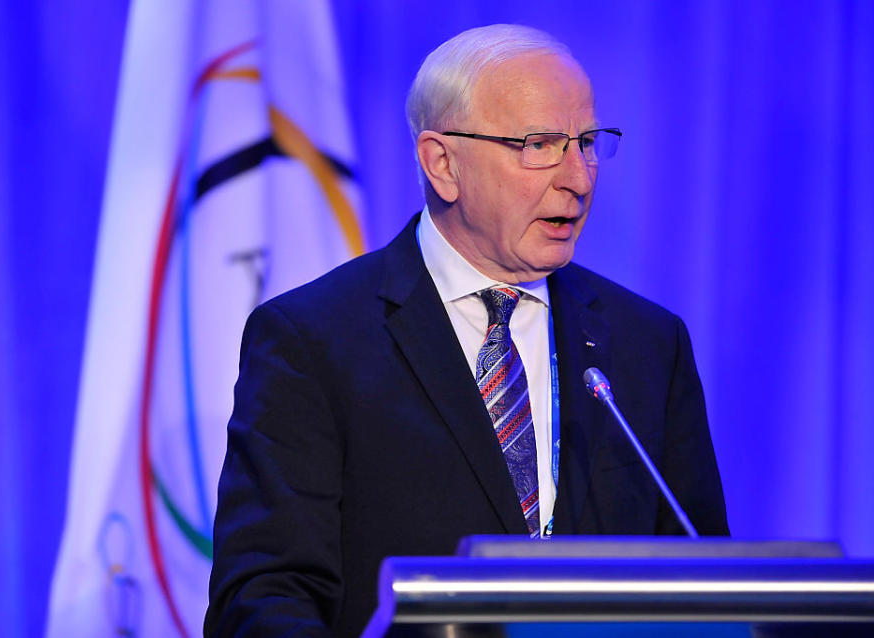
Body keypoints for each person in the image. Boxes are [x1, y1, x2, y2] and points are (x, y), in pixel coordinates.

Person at [205, 23, 728, 638]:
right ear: (442, 163)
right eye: (540, 144)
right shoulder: (313, 341)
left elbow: (703, 578)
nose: (579, 179)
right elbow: (265, 597)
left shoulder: (647, 344)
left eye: (586, 142)